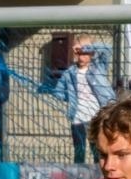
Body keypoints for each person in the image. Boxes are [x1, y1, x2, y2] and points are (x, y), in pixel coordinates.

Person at [48, 34, 115, 164]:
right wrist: (70, 97)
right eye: (79, 53)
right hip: (77, 117)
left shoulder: (98, 68)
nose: (81, 56)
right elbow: (58, 92)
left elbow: (107, 49)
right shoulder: (69, 73)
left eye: (85, 53)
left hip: (96, 116)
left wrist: (86, 47)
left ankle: (98, 173)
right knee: (79, 150)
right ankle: (78, 174)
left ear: (91, 54)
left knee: (96, 148)